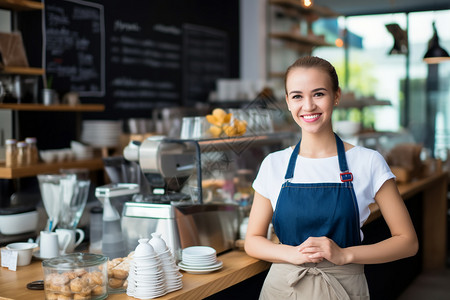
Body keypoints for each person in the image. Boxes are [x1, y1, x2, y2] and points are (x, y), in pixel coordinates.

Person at [244, 56, 418, 299]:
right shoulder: (274, 164)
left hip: (344, 288)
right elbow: (252, 241)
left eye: (318, 94)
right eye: (297, 96)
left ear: (336, 96)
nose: (308, 106)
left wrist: (345, 255)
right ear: (287, 102)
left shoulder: (367, 162)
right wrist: (291, 254)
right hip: (283, 287)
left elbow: (407, 242)